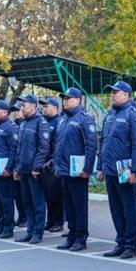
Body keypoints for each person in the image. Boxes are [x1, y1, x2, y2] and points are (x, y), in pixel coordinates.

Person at [99, 80, 136, 259]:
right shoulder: (110, 115)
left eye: (115, 92)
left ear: (126, 95)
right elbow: (103, 142)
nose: (112, 95)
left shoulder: (133, 115)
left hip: (125, 169)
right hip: (111, 169)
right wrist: (100, 167)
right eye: (111, 92)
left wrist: (134, 170)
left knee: (129, 208)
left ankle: (131, 244)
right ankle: (120, 242)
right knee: (116, 208)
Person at [53, 87, 97, 251]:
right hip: (64, 170)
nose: (65, 100)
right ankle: (71, 235)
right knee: (69, 206)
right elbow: (58, 145)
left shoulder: (84, 119)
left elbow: (91, 146)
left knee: (79, 206)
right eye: (64, 98)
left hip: (78, 172)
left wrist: (87, 169)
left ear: (78, 100)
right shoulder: (63, 119)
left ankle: (80, 237)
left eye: (69, 98)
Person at [14, 93, 51, 244]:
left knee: (38, 204)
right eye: (22, 105)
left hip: (34, 172)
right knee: (27, 203)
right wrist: (17, 168)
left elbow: (44, 148)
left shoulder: (40, 122)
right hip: (23, 170)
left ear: (33, 106)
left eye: (24, 104)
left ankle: (38, 233)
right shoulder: (23, 123)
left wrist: (36, 167)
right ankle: (30, 231)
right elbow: (19, 148)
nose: (22, 107)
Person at [0, 100, 21, 238]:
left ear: (5, 112)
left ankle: (8, 227)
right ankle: (1, 224)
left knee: (6, 200)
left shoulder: (10, 127)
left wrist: (9, 168)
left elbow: (14, 150)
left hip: (4, 171)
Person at [41, 97, 65, 232]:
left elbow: (57, 145)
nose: (44, 109)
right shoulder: (44, 122)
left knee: (56, 194)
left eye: (46, 106)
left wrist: (53, 161)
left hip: (53, 163)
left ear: (55, 108)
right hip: (44, 164)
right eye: (43, 107)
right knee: (48, 196)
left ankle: (58, 221)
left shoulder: (58, 122)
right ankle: (50, 220)